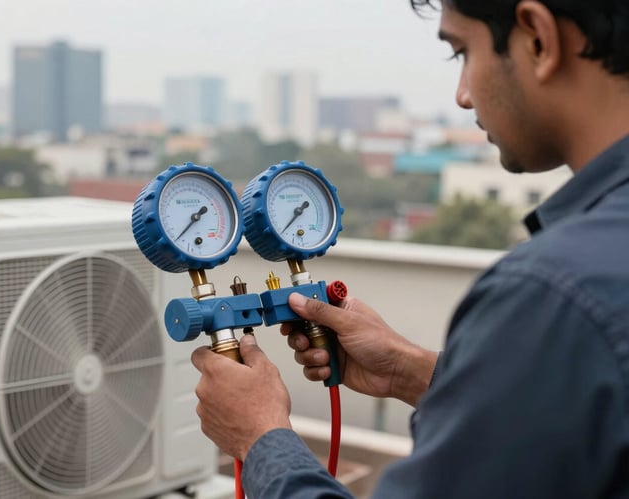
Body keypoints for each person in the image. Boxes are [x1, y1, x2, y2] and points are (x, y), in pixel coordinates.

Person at [191, 0, 629, 497]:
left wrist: (261, 436)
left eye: (462, 51)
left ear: (538, 39)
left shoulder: (551, 294)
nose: (463, 96)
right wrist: (408, 369)